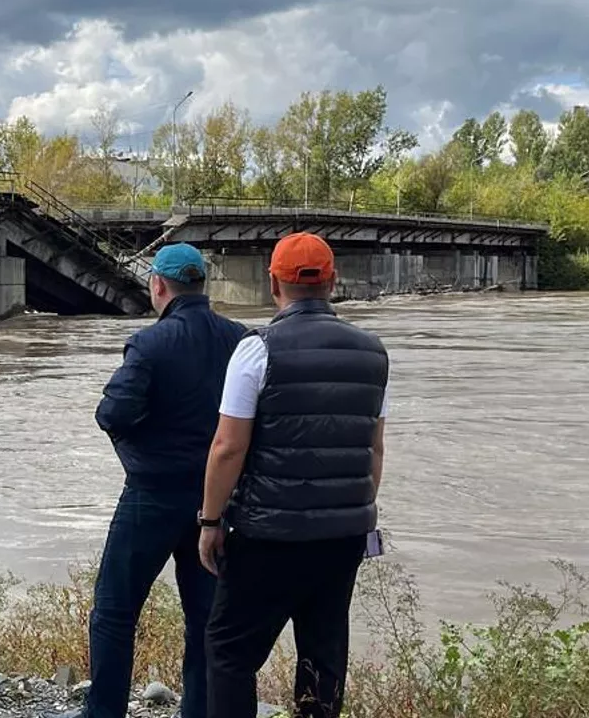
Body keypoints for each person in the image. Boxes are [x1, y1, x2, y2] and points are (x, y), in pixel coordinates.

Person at [197, 233, 389, 718]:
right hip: (343, 536)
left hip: (269, 534)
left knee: (229, 651)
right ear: (333, 281)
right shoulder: (372, 353)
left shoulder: (257, 349)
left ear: (273, 283)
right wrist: (353, 513)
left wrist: (210, 521)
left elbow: (227, 447)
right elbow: (374, 449)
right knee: (323, 654)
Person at [52, 244, 246, 718]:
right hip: (216, 502)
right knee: (205, 621)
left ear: (157, 285)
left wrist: (138, 449)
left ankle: (105, 712)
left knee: (115, 611)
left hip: (152, 495)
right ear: (202, 285)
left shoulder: (150, 343)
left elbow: (113, 412)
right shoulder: (241, 340)